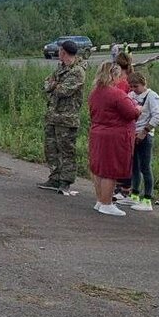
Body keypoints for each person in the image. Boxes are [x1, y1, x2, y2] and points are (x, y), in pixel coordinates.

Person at [87, 62, 141, 216]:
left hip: (98, 132)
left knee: (98, 168)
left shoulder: (95, 92)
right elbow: (131, 113)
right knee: (110, 169)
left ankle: (100, 199)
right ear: (113, 75)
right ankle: (107, 202)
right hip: (114, 136)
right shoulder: (116, 94)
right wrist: (138, 109)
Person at [37, 40, 86, 194]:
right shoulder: (61, 68)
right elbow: (46, 84)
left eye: (59, 51)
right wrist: (53, 84)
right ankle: (55, 177)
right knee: (51, 148)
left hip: (67, 118)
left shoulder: (78, 71)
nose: (58, 53)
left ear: (64, 52)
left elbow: (63, 91)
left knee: (66, 150)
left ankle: (65, 180)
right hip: (53, 115)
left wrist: (54, 84)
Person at [122, 72, 159, 212]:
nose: (133, 89)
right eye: (131, 86)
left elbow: (158, 116)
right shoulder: (132, 95)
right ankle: (134, 194)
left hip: (145, 135)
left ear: (143, 84)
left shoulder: (152, 96)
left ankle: (147, 198)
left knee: (145, 167)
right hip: (133, 133)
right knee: (134, 166)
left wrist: (145, 131)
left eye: (136, 86)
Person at [111, 52, 134, 200]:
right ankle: (122, 187)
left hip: (121, 122)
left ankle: (123, 188)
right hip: (124, 123)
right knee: (123, 157)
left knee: (123, 157)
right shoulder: (130, 80)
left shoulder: (121, 83)